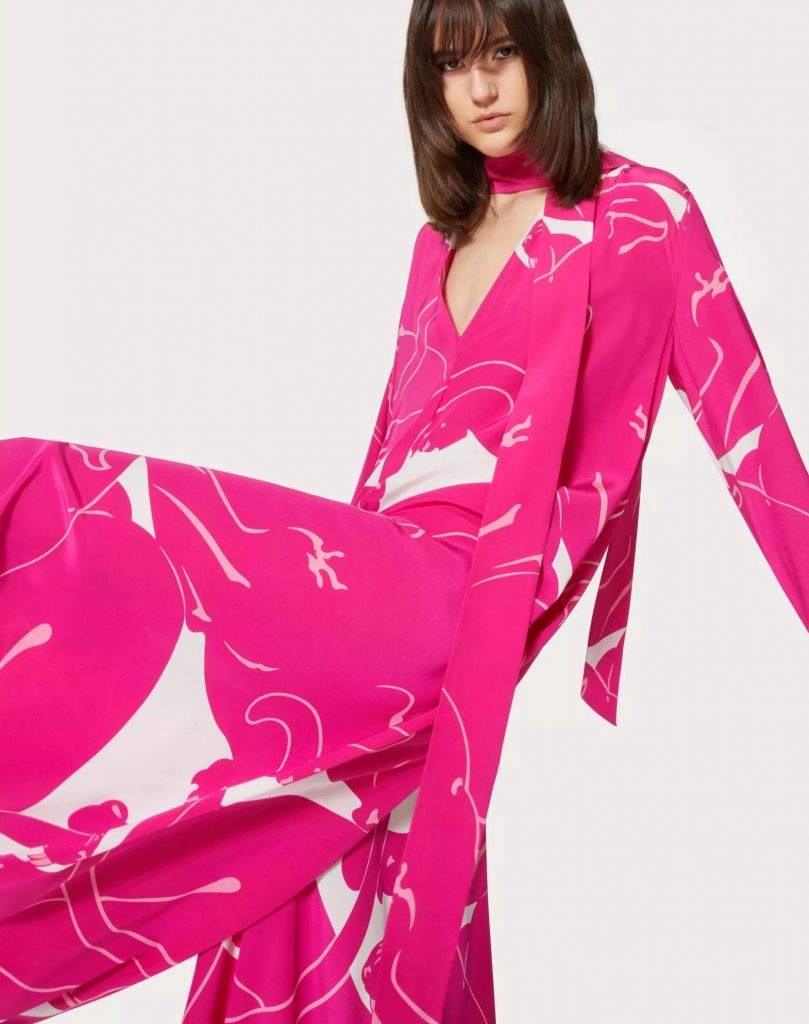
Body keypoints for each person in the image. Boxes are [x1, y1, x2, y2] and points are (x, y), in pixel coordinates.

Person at [1, 0, 807, 1021]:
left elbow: (753, 438)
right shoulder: (438, 244)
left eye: (501, 53)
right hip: (383, 587)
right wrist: (316, 642)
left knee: (55, 489)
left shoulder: (643, 213)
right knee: (295, 852)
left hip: (466, 602)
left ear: (548, 54)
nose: (479, 88)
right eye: (450, 65)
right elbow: (385, 466)